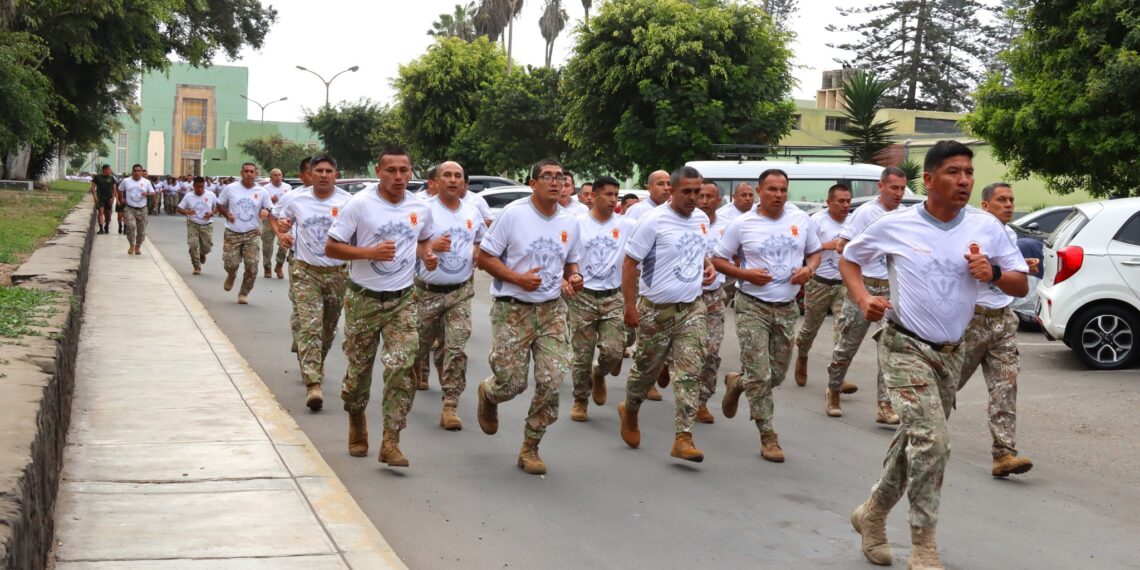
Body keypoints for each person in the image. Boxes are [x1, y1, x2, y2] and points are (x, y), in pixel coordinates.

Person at [845, 141, 1028, 569]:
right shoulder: (898, 224)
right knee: (934, 442)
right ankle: (923, 544)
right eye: (952, 172)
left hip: (952, 353)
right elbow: (850, 259)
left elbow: (1020, 284)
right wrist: (861, 299)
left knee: (916, 442)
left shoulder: (986, 227)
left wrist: (995, 273)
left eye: (968, 172)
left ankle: (871, 513)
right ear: (928, 180)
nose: (963, 180)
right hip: (904, 344)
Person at [326, 145, 437, 468]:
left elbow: (424, 239)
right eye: (392, 170)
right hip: (363, 298)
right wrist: (369, 253)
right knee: (359, 373)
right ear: (378, 171)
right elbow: (332, 247)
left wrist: (427, 254)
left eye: (405, 170)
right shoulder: (359, 205)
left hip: (402, 299)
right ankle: (356, 416)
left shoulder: (420, 207)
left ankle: (391, 439)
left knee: (402, 367)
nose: (399, 177)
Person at [474, 158, 583, 475]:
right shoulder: (514, 214)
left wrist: (574, 278)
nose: (555, 182)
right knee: (512, 383)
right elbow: (484, 257)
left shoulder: (570, 222)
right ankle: (489, 394)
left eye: (559, 177)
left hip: (551, 310)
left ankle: (530, 447)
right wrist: (517, 278)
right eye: (547, 176)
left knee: (552, 379)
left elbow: (572, 263)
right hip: (513, 309)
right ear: (533, 183)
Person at [715, 169, 821, 463]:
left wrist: (808, 270)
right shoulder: (742, 224)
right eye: (772, 189)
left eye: (783, 190)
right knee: (761, 376)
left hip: (787, 308)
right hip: (752, 305)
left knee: (775, 375)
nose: (778, 195)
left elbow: (814, 253)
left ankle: (738, 383)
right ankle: (768, 435)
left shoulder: (801, 219)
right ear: (759, 191)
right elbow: (718, 260)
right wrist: (744, 273)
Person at [617, 165, 716, 463]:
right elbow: (630, 264)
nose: (693, 197)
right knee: (644, 372)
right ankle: (630, 407)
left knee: (689, 373)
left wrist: (707, 265)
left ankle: (683, 438)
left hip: (692, 308)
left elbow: (696, 251)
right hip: (655, 311)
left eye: (697, 192)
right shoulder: (653, 221)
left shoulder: (701, 220)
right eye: (686, 191)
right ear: (671, 191)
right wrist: (630, 308)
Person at [958, 182, 1035, 477]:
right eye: (1002, 200)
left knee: (1006, 385)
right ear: (985, 205)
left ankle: (1003, 453)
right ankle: (918, 432)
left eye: (1012, 199)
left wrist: (1021, 267)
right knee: (948, 384)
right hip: (971, 320)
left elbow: (1010, 274)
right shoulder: (969, 231)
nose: (1009, 205)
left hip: (1003, 319)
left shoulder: (1009, 235)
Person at [829, 166, 909, 425]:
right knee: (847, 346)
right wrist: (870, 251)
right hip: (863, 288)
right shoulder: (866, 213)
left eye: (902, 188)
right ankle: (833, 391)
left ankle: (885, 406)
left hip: (891, 289)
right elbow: (842, 246)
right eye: (894, 187)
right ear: (881, 186)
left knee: (889, 348)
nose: (898, 193)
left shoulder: (905, 216)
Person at [273, 155, 352, 412]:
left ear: (336, 175)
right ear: (311, 173)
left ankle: (317, 361)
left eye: (329, 170)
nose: (324, 175)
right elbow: (275, 217)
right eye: (319, 170)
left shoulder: (348, 202)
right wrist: (282, 232)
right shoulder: (296, 198)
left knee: (328, 329)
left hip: (337, 273)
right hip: (305, 271)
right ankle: (313, 384)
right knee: (310, 326)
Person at [413, 161, 485, 430]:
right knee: (417, 347)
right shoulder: (423, 210)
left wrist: (478, 250)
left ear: (463, 182)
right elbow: (408, 243)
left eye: (458, 176)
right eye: (447, 175)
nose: (453, 180)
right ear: (436, 181)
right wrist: (429, 249)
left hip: (460, 291)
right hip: (426, 292)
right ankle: (414, 374)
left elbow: (480, 238)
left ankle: (450, 405)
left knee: (455, 348)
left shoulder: (472, 211)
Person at [567, 176, 628, 422]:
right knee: (582, 353)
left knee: (614, 350)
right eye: (609, 194)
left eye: (616, 195)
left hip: (613, 296)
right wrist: (568, 279)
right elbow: (564, 255)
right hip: (583, 296)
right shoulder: (577, 224)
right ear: (593, 196)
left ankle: (599, 372)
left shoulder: (626, 225)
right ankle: (580, 400)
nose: (614, 199)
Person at [792, 184, 854, 416]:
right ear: (829, 202)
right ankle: (802, 356)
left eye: (848, 201)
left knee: (843, 329)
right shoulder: (816, 221)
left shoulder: (853, 221)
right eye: (841, 201)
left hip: (842, 284)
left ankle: (838, 377)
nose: (845, 205)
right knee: (810, 328)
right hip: (819, 281)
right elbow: (808, 249)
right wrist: (832, 244)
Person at [619, 169, 672, 400]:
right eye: (660, 183)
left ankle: (656, 371)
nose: (666, 187)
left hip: (667, 281)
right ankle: (621, 350)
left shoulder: (677, 211)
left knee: (662, 331)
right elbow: (628, 249)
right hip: (640, 278)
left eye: (669, 183)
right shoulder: (637, 211)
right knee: (636, 330)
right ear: (649, 187)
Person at [694, 181, 727, 424]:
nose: (704, 201)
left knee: (711, 350)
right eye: (700, 195)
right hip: (686, 297)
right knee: (687, 350)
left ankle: (702, 400)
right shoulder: (686, 223)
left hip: (715, 296)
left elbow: (738, 256)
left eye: (709, 197)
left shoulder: (728, 227)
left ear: (719, 200)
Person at [216, 162, 272, 304]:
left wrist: (267, 211)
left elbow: (270, 208)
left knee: (252, 265)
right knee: (230, 263)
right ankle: (231, 274)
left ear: (256, 174)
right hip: (232, 232)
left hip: (252, 233)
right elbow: (220, 204)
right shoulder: (230, 188)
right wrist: (227, 214)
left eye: (251, 171)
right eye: (246, 171)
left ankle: (243, 293)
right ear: (241, 173)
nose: (249, 174)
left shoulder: (262, 192)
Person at [175, 176, 217, 275]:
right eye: (197, 187)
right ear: (193, 186)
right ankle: (196, 266)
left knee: (207, 246)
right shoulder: (188, 196)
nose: (200, 189)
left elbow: (218, 207)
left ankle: (202, 253)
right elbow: (179, 208)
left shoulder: (211, 195)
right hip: (193, 224)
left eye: (202, 187)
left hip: (207, 225)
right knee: (193, 245)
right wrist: (188, 211)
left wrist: (211, 213)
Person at [259, 168, 292, 279]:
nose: (278, 177)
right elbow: (260, 206)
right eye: (275, 175)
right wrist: (271, 201)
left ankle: (279, 265)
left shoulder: (288, 187)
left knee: (284, 244)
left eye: (280, 174)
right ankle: (267, 267)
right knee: (267, 245)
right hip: (269, 219)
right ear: (271, 177)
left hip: (283, 219)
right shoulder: (264, 189)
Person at [117, 164, 156, 255]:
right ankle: (132, 245)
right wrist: (121, 198)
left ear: (142, 172)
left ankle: (138, 246)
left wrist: (147, 194)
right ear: (132, 171)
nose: (137, 173)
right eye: (135, 171)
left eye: (139, 171)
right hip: (129, 208)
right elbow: (119, 189)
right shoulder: (126, 181)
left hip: (142, 209)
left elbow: (153, 193)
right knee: (130, 226)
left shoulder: (146, 182)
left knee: (141, 231)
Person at [90, 164, 117, 235]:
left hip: (109, 198)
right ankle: (101, 228)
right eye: (109, 170)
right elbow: (93, 187)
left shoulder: (112, 178)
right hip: (100, 197)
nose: (110, 171)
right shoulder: (97, 177)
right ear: (104, 170)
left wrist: (113, 197)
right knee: (101, 211)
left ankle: (107, 226)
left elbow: (114, 188)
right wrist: (95, 197)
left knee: (108, 213)